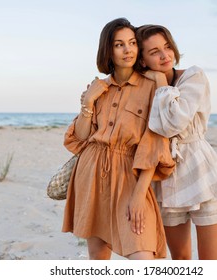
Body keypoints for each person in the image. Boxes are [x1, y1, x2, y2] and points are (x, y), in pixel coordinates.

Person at [62, 18, 175, 260]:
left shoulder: (152, 86)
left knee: (143, 255)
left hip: (130, 175)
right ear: (108, 50)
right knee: (98, 257)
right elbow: (80, 140)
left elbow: (154, 144)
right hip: (91, 173)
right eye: (119, 44)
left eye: (133, 43)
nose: (128, 50)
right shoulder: (98, 87)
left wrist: (138, 195)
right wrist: (87, 103)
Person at [135, 24, 217, 260]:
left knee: (212, 261)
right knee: (180, 260)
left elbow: (175, 122)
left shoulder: (193, 76)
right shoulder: (143, 88)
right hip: (166, 178)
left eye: (167, 47)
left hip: (202, 171)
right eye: (154, 52)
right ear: (142, 61)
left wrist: (160, 82)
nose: (164, 55)